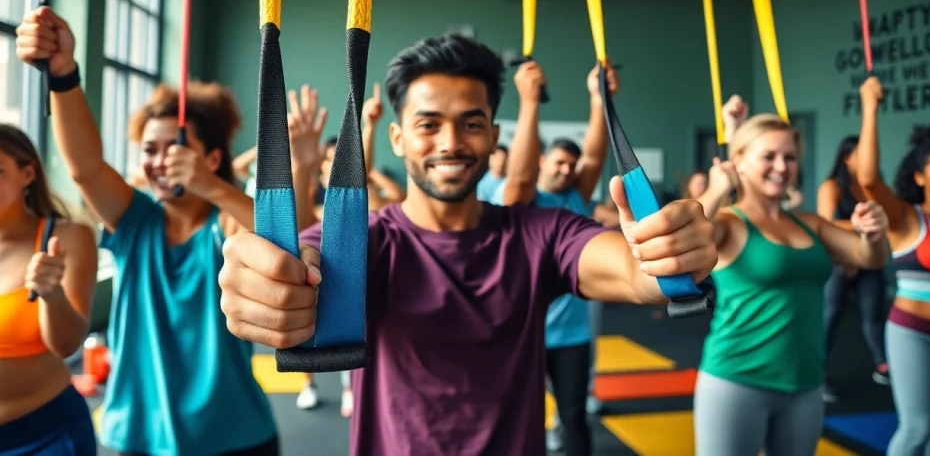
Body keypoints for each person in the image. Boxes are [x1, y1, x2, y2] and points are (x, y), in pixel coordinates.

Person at [217, 33, 717, 456]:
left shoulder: (540, 232)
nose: (450, 142)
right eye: (428, 124)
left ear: (494, 135)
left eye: (471, 123)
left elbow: (633, 272)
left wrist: (665, 256)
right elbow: (302, 265)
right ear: (396, 137)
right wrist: (270, 284)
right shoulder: (365, 245)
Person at [15, 6, 279, 456]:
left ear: (212, 158)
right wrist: (62, 73)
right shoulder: (136, 220)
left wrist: (210, 186)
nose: (158, 161)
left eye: (175, 148)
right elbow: (85, 168)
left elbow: (279, 238)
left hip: (233, 435)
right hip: (136, 433)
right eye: (149, 150)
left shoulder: (227, 223)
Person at [693, 95, 890, 456]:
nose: (781, 167)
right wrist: (718, 187)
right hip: (736, 379)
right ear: (740, 162)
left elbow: (869, 258)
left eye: (790, 157)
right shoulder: (728, 223)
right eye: (768, 156)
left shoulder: (811, 223)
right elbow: (685, 235)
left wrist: (874, 233)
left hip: (805, 384)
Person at [0, 120, 98, 455]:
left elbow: (67, 345)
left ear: (28, 173)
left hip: (46, 436)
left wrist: (52, 296)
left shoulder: (66, 238)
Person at [493, 59, 617, 456]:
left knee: (574, 415)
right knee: (520, 417)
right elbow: (519, 178)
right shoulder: (519, 198)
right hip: (524, 332)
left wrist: (600, 99)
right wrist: (530, 101)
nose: (565, 170)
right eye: (558, 162)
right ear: (542, 160)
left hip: (572, 336)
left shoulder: (575, 198)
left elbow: (595, 158)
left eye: (570, 164)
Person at [855, 76, 930, 456]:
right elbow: (867, 179)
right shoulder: (907, 218)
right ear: (920, 176)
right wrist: (870, 106)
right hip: (913, 334)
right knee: (916, 428)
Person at [818, 134, 889, 404]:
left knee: (873, 313)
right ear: (847, 158)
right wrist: (860, 226)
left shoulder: (871, 188)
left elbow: (884, 224)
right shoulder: (832, 186)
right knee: (831, 315)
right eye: (862, 154)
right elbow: (826, 224)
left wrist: (867, 231)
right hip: (839, 260)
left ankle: (884, 365)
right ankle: (817, 373)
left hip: (868, 259)